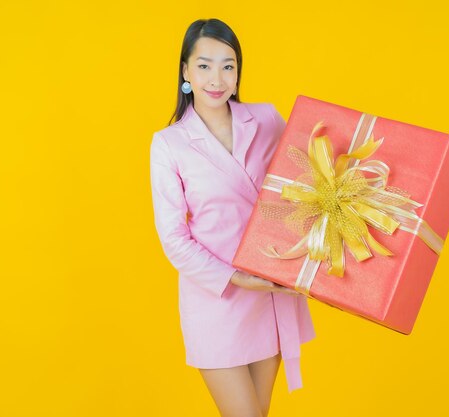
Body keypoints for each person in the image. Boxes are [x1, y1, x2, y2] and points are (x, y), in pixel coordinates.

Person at [149, 18, 316, 417]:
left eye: (228, 65)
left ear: (238, 73)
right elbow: (173, 238)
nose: (216, 78)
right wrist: (239, 277)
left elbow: (302, 192)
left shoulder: (267, 119)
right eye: (204, 65)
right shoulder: (168, 144)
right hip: (217, 297)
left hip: (270, 292)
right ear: (185, 71)